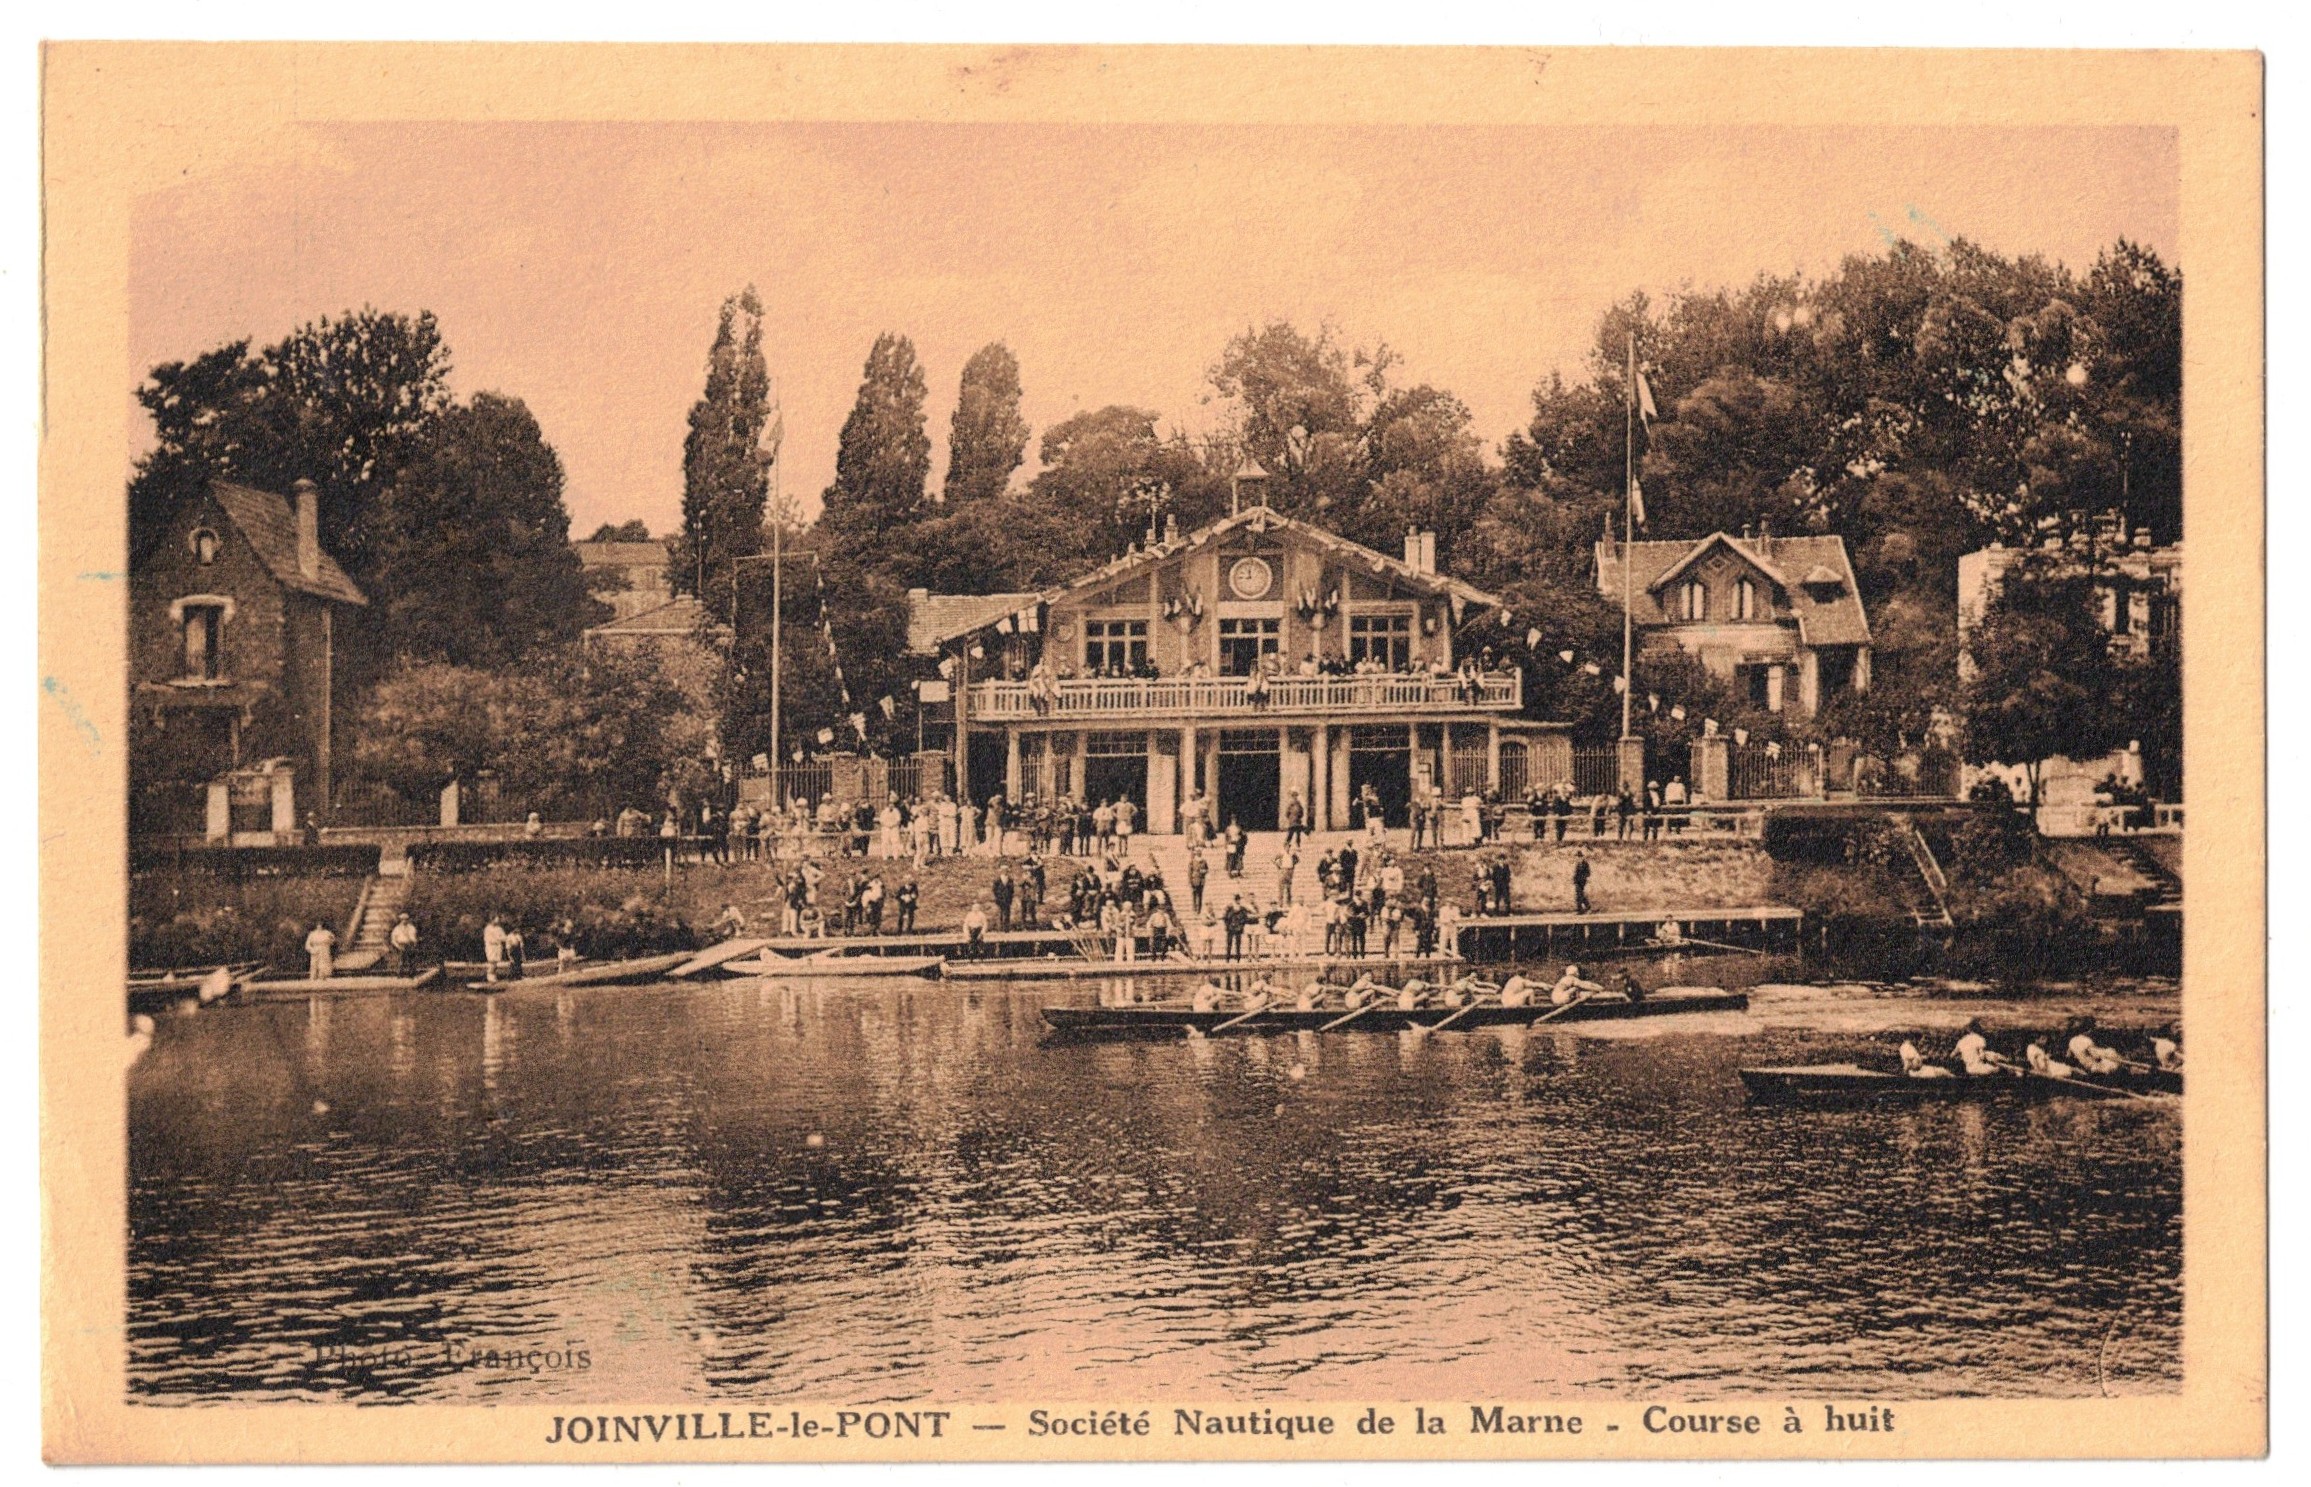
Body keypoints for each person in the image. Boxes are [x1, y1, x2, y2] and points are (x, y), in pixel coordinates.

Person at [1222, 895, 1252, 961]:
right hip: (1230, 928)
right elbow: (1225, 918)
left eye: (1238, 899)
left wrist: (1241, 925)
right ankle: (1228, 958)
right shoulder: (1229, 908)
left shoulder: (1242, 908)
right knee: (1229, 943)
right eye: (1236, 899)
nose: (1237, 901)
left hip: (1238, 928)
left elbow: (1245, 918)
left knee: (1238, 943)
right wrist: (1227, 925)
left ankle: (1238, 958)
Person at [483, 914, 508, 983]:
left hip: (498, 947)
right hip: (491, 947)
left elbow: (503, 937)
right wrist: (497, 939)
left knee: (496, 962)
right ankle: (490, 976)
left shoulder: (499, 929)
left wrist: (505, 938)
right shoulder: (488, 928)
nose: (497, 920)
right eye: (496, 919)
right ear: (492, 920)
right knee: (491, 961)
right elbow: (487, 938)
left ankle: (493, 975)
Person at [991, 865, 1016, 932]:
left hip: (1008, 899)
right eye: (1003, 870)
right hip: (1000, 899)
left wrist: (1010, 897)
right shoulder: (997, 880)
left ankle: (1006, 929)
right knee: (1000, 913)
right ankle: (1000, 928)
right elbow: (994, 890)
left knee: (1007, 914)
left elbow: (1012, 890)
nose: (1005, 871)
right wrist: (997, 897)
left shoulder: (1010, 880)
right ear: (1001, 871)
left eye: (1006, 870)